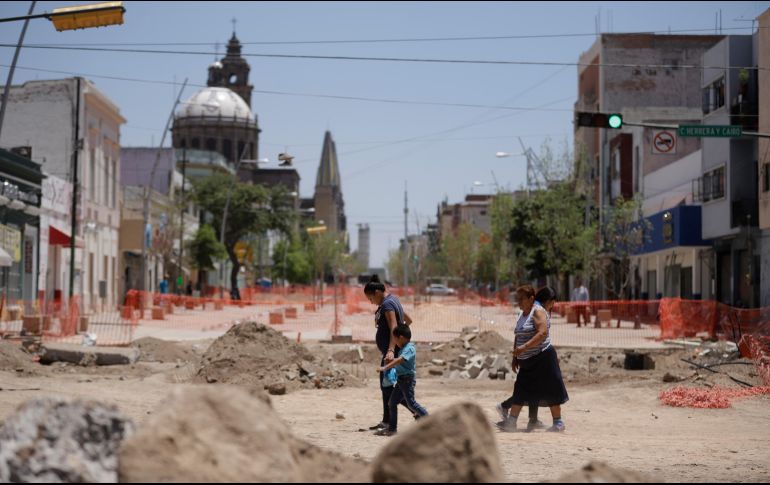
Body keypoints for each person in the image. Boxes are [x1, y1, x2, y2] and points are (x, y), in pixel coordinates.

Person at [496, 285, 569, 433]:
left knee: (551, 389)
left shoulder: (538, 312)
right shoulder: (522, 314)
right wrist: (516, 357)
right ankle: (511, 422)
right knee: (521, 389)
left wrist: (524, 348)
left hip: (543, 358)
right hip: (527, 361)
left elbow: (542, 333)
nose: (519, 302)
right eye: (517, 299)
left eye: (521, 299)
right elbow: (518, 335)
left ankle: (558, 422)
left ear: (531, 299)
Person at [364, 274, 414, 432]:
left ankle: (416, 412)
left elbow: (393, 325)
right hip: (392, 350)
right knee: (387, 386)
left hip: (391, 352)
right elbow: (408, 320)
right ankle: (387, 421)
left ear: (377, 292)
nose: (371, 302)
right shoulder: (394, 300)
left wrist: (392, 349)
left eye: (371, 298)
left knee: (388, 388)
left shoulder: (387, 305)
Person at [375, 325, 429, 436]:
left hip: (407, 380)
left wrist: (385, 367)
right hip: (401, 380)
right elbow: (399, 361)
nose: (394, 342)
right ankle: (392, 429)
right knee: (392, 403)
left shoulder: (410, 348)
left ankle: (430, 421)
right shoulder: (404, 348)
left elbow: (400, 360)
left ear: (401, 337)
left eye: (395, 339)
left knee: (411, 404)